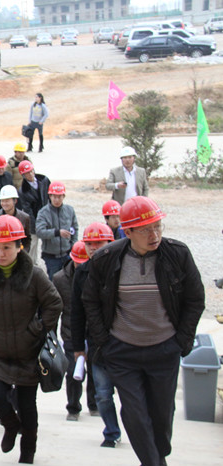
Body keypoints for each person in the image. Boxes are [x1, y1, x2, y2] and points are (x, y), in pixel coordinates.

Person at [82, 196, 205, 466]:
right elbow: (90, 300)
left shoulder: (177, 254)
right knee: (135, 413)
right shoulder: (106, 258)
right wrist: (104, 342)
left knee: (162, 416)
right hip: (122, 352)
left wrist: (181, 341)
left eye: (158, 227)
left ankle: (157, 457)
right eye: (146, 230)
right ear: (128, 232)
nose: (154, 235)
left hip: (164, 350)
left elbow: (195, 299)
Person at [0, 215, 62, 464]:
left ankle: (28, 450)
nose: (0, 253)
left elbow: (54, 304)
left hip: (28, 352)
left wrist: (37, 330)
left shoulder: (35, 275)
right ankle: (10, 424)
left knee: (27, 406)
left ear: (20, 246)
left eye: (6, 247)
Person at [70, 226, 122, 449]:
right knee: (103, 393)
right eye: (89, 244)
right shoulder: (82, 273)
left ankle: (138, 429)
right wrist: (78, 346)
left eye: (98, 243)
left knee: (130, 394)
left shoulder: (122, 268)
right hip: (97, 343)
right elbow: (76, 312)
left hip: (124, 341)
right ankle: (111, 432)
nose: (93, 248)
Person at [53, 237, 99, 423]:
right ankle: (73, 407)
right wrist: (51, 334)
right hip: (71, 331)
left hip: (94, 331)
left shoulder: (97, 275)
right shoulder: (59, 279)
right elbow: (54, 307)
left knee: (95, 370)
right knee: (73, 372)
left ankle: (94, 404)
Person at [36, 181, 78, 280]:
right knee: (54, 281)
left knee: (69, 280)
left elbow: (75, 228)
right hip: (51, 257)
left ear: (64, 196)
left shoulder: (70, 210)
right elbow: (39, 232)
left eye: (59, 197)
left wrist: (73, 245)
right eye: (54, 197)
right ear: (50, 196)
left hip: (67, 254)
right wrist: (57, 232)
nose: (57, 200)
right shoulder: (43, 213)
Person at [18, 161, 51, 264]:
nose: (30, 174)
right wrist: (35, 224)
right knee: (33, 244)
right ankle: (32, 264)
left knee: (50, 241)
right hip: (34, 219)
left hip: (48, 216)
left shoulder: (44, 180)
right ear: (23, 175)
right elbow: (28, 210)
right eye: (27, 173)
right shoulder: (23, 191)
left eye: (31, 171)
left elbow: (51, 197)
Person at [0, 185, 31, 253]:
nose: (4, 204)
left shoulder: (24, 217)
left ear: (15, 201)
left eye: (7, 201)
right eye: (2, 201)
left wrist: (23, 253)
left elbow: (27, 239)